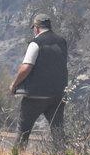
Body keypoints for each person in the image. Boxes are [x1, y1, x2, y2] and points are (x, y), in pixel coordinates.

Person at [10, 12, 68, 145]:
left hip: (35, 96)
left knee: (23, 131)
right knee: (58, 133)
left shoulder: (35, 43)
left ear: (36, 28)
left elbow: (26, 68)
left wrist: (14, 85)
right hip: (57, 96)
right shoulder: (62, 42)